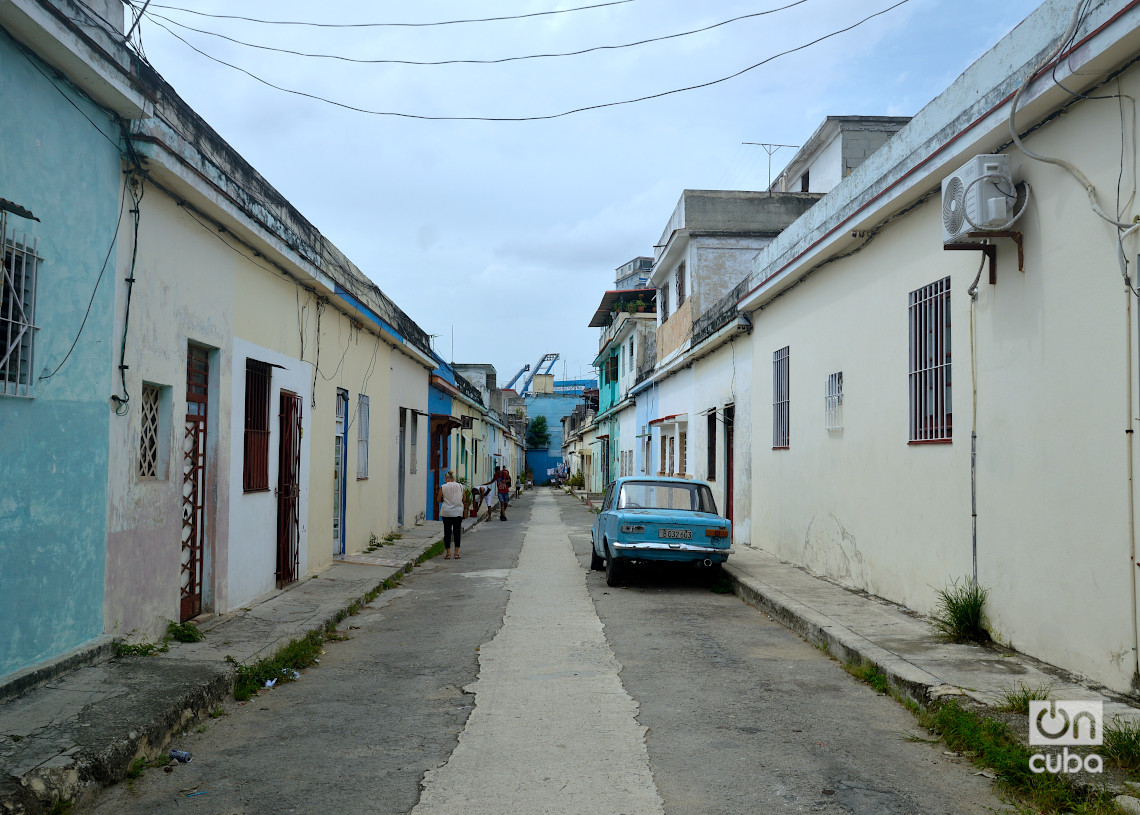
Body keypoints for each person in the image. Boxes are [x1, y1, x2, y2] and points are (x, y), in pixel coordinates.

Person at [436, 471, 468, 559]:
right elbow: (464, 499)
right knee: (457, 532)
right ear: (453, 479)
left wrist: (444, 501)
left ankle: (448, 553)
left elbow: (438, 499)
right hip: (458, 512)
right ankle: (456, 553)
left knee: (447, 532)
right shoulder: (461, 486)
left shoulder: (443, 487)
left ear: (446, 479)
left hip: (446, 512)